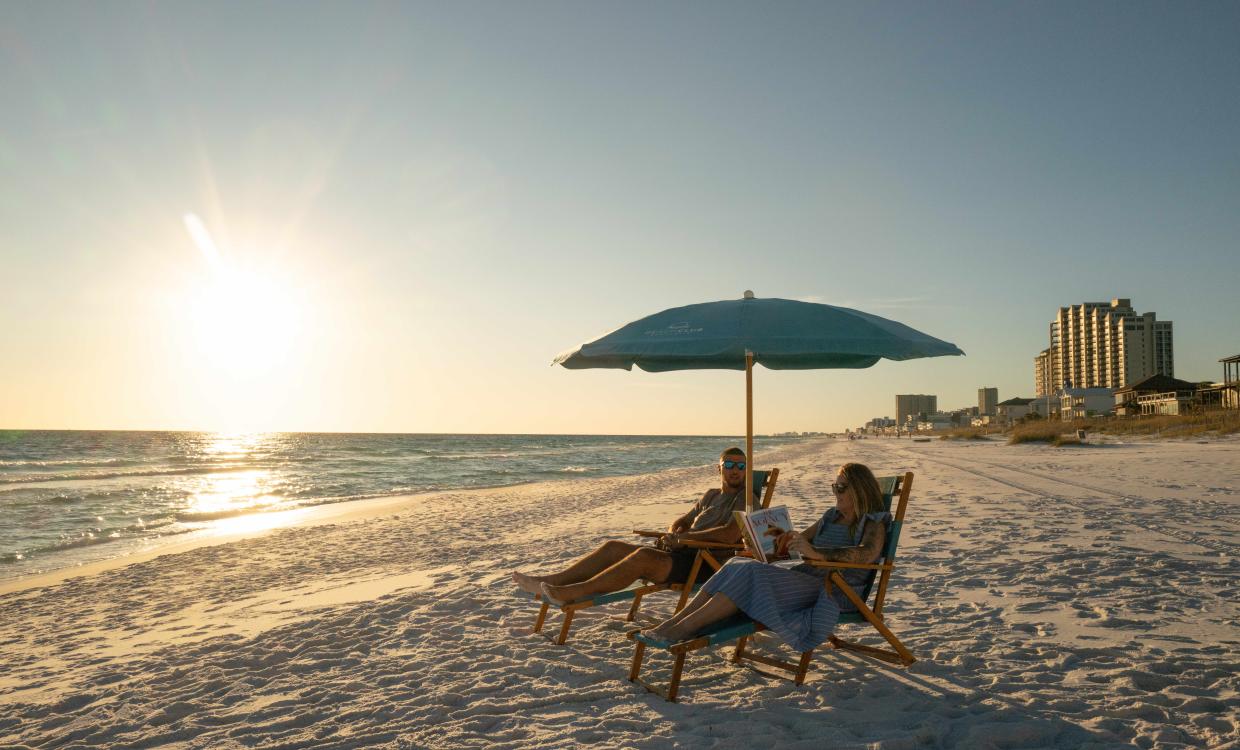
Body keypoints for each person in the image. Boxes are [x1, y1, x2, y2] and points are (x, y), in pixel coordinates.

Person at [642, 462, 888, 651]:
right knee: (737, 562)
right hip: (807, 579)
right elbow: (796, 542)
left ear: (859, 490)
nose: (836, 492)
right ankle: (675, 622)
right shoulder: (830, 516)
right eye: (835, 486)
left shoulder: (873, 520)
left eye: (841, 487)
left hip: (833, 590)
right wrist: (770, 544)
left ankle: (685, 629)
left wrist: (813, 552)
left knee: (751, 571)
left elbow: (867, 554)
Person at [512, 447, 760, 606]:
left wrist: (685, 539)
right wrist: (676, 530)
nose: (735, 471)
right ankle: (549, 581)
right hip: (680, 552)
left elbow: (730, 535)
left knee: (641, 556)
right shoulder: (710, 495)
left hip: (704, 564)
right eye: (729, 465)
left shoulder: (747, 499)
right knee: (612, 548)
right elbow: (684, 520)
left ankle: (572, 592)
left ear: (746, 469)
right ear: (719, 469)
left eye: (740, 466)